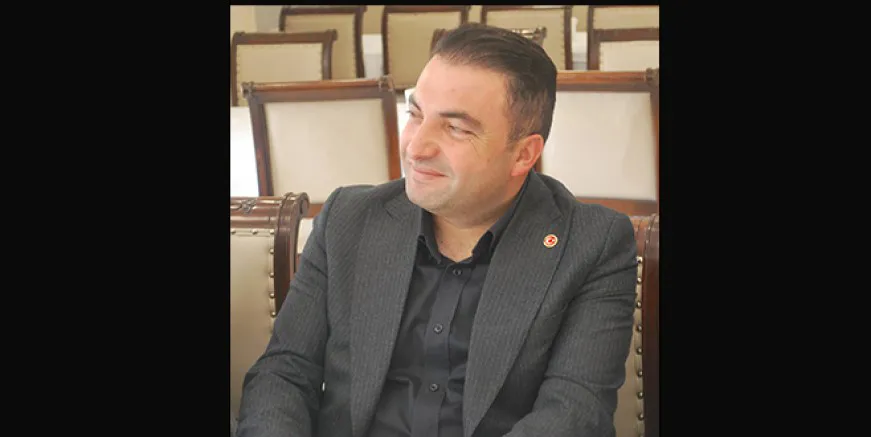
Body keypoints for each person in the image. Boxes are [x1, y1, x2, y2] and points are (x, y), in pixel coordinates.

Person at [236, 23, 639, 437]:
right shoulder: (349, 219)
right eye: (415, 115)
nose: (416, 147)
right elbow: (284, 373)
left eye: (456, 129)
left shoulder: (592, 245)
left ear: (523, 154)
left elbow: (574, 412)